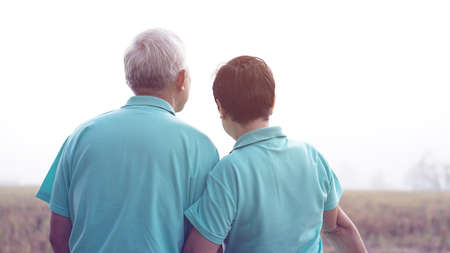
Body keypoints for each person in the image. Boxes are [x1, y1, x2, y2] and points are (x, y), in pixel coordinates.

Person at [35, 29, 219, 253]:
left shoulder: (79, 137)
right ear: (181, 79)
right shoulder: (201, 147)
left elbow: (58, 236)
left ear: (129, 76)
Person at [183, 56, 367, 253]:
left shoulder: (229, 171)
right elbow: (337, 227)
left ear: (221, 108)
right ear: (273, 102)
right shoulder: (311, 157)